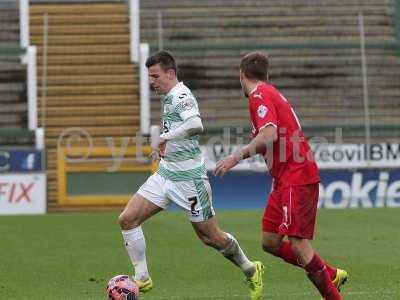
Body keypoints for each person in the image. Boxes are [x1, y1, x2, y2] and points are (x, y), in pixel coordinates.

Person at [118, 50, 264, 300]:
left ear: (170, 73)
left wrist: (165, 137)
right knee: (127, 219)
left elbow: (196, 124)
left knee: (211, 237)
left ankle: (251, 268)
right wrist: (167, 145)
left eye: (155, 76)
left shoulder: (181, 95)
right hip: (166, 174)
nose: (152, 81)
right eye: (150, 77)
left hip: (190, 181)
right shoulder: (168, 96)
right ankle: (142, 278)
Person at [214, 51, 349, 300]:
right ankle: (329, 273)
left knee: (298, 243)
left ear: (241, 74)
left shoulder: (260, 95)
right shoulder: (267, 92)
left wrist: (236, 157)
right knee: (270, 241)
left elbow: (269, 136)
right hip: (283, 178)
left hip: (296, 175)